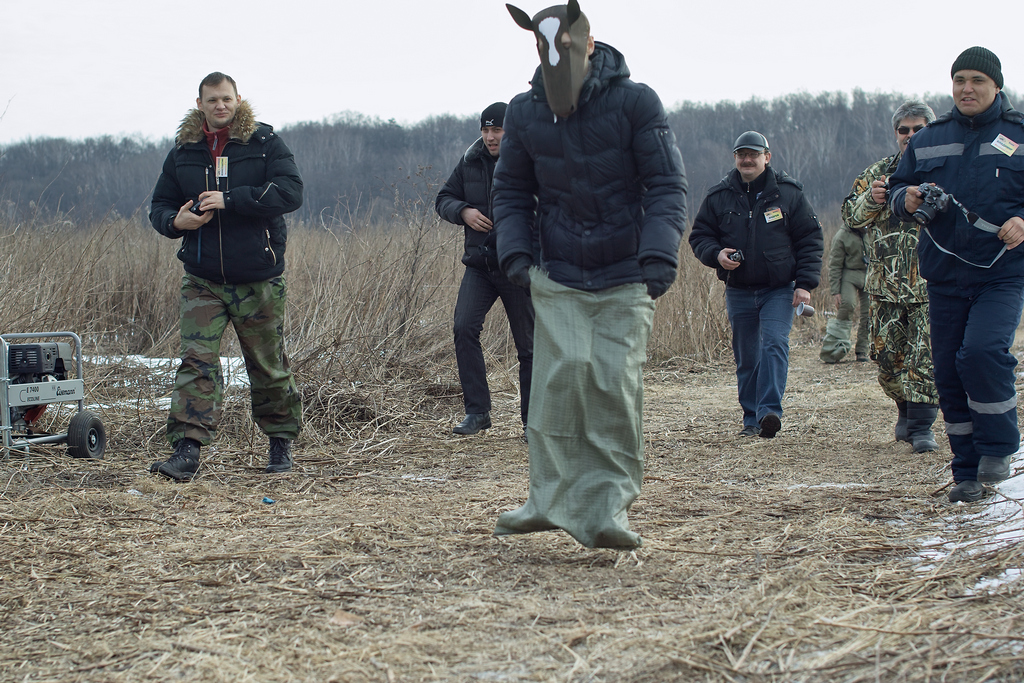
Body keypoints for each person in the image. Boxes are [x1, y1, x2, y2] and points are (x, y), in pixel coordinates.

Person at [492, 0, 687, 549]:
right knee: (558, 381)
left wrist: (658, 254)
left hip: (626, 271)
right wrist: (516, 254)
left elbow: (666, 184)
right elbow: (510, 190)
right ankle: (547, 500)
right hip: (559, 271)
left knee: (611, 383)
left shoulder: (635, 102)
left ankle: (607, 510)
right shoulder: (525, 112)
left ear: (590, 44)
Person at [148, 72, 304, 481]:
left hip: (257, 278)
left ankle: (280, 443)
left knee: (267, 365)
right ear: (199, 103)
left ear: (238, 100)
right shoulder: (184, 151)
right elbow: (159, 206)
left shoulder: (265, 142)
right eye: (213, 100)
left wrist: (231, 199)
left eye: (227, 99)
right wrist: (176, 222)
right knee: (196, 362)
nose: (220, 105)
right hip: (202, 279)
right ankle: (187, 450)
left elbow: (291, 192)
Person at [888, 47, 1024, 502]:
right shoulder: (929, 138)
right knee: (947, 373)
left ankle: (998, 449)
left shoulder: (1019, 133)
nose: (967, 88)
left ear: (996, 86)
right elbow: (897, 188)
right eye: (959, 80)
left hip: (1003, 272)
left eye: (977, 80)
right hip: (944, 274)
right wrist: (905, 199)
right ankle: (966, 471)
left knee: (981, 353)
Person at [689, 131, 824, 438]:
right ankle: (751, 418)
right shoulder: (719, 196)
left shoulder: (788, 194)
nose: (747, 160)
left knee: (774, 343)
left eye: (753, 154)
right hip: (738, 290)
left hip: (779, 288)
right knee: (747, 355)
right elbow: (699, 236)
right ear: (735, 158)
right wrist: (717, 254)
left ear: (767, 157)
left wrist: (804, 284)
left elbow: (810, 239)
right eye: (741, 155)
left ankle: (769, 412)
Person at [841, 100, 940, 454]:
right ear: (896, 133)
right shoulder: (878, 173)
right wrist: (871, 199)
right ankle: (904, 410)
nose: (910, 135)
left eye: (918, 129)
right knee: (887, 358)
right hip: (885, 286)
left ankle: (922, 426)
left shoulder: (944, 169)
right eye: (904, 130)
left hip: (930, 284)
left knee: (924, 357)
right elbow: (850, 217)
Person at [435, 103, 535, 438]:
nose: (491, 137)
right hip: (479, 265)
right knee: (463, 328)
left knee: (529, 346)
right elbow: (443, 199)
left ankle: (533, 421)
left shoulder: (530, 162)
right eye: (485, 130)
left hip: (518, 267)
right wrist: (463, 211)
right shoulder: (470, 161)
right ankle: (477, 412)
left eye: (497, 130)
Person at [820, 221, 868, 364]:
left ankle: (863, 349)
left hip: (868, 273)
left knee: (869, 312)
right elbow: (835, 265)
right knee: (847, 305)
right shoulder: (842, 236)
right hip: (849, 273)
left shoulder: (871, 231)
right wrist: (836, 291)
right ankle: (835, 347)